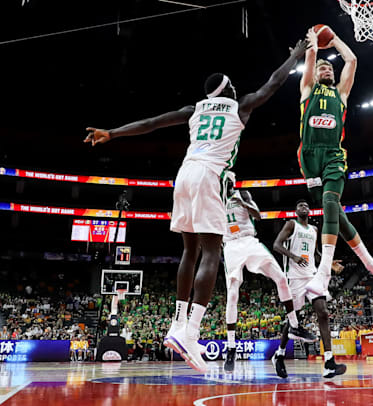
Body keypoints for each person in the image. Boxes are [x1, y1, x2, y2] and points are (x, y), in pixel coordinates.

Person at [84, 39, 309, 372]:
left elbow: (152, 123)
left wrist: (112, 133)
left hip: (184, 174)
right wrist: (295, 56)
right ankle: (191, 332)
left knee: (190, 251)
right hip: (209, 175)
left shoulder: (194, 110)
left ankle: (177, 324)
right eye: (232, 86)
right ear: (228, 89)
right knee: (212, 253)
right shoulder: (240, 106)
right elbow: (273, 83)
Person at [296, 26, 373, 297]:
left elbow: (351, 60)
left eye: (329, 68)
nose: (326, 70)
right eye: (322, 68)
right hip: (309, 158)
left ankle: (324, 272)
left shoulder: (340, 93)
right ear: (314, 75)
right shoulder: (307, 89)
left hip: (333, 154)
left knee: (331, 203)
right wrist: (313, 44)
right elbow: (310, 60)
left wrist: (335, 40)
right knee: (336, 216)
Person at [221, 185, 316, 373]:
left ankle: (295, 326)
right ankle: (231, 348)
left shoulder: (242, 194)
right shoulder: (215, 199)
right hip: (230, 246)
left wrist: (244, 204)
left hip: (249, 241)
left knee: (280, 277)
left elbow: (258, 216)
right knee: (232, 294)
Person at [271, 200, 346, 379]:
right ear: (296, 211)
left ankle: (329, 362)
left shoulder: (314, 229)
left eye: (306, 205)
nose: (303, 207)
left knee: (323, 312)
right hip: (294, 277)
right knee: (293, 321)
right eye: (300, 206)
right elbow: (276, 245)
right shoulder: (291, 225)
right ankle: (279, 354)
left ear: (310, 211)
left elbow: (315, 253)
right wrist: (294, 257)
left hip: (312, 275)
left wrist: (329, 262)